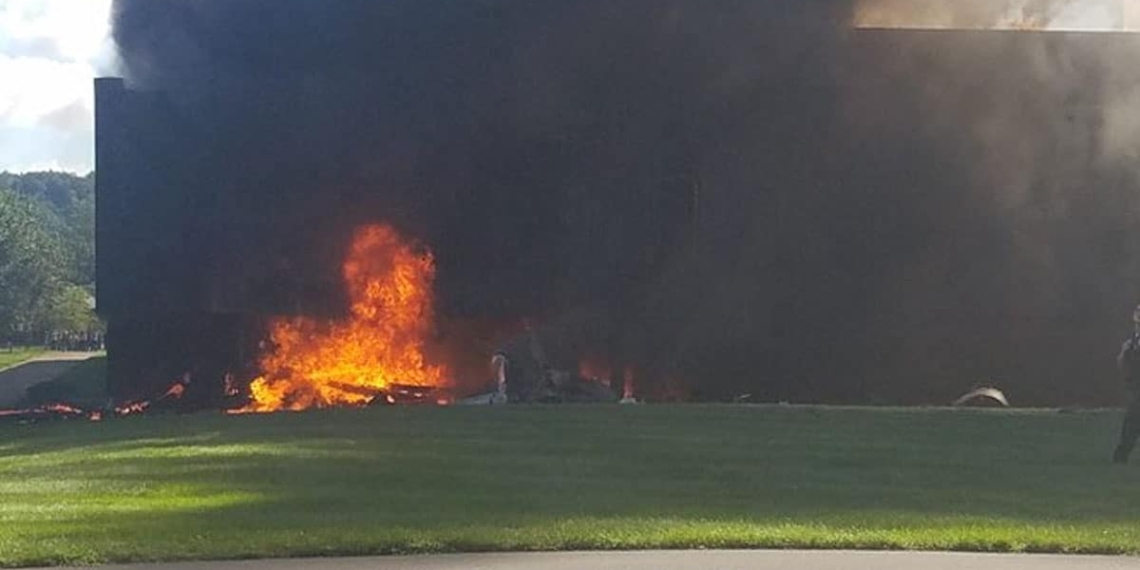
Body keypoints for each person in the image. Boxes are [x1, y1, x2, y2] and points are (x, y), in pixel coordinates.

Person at [1113, 304, 1140, 463]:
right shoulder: (1131, 343)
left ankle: (1121, 455)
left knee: (1133, 420)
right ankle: (1121, 455)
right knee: (1132, 422)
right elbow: (1122, 364)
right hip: (1137, 388)